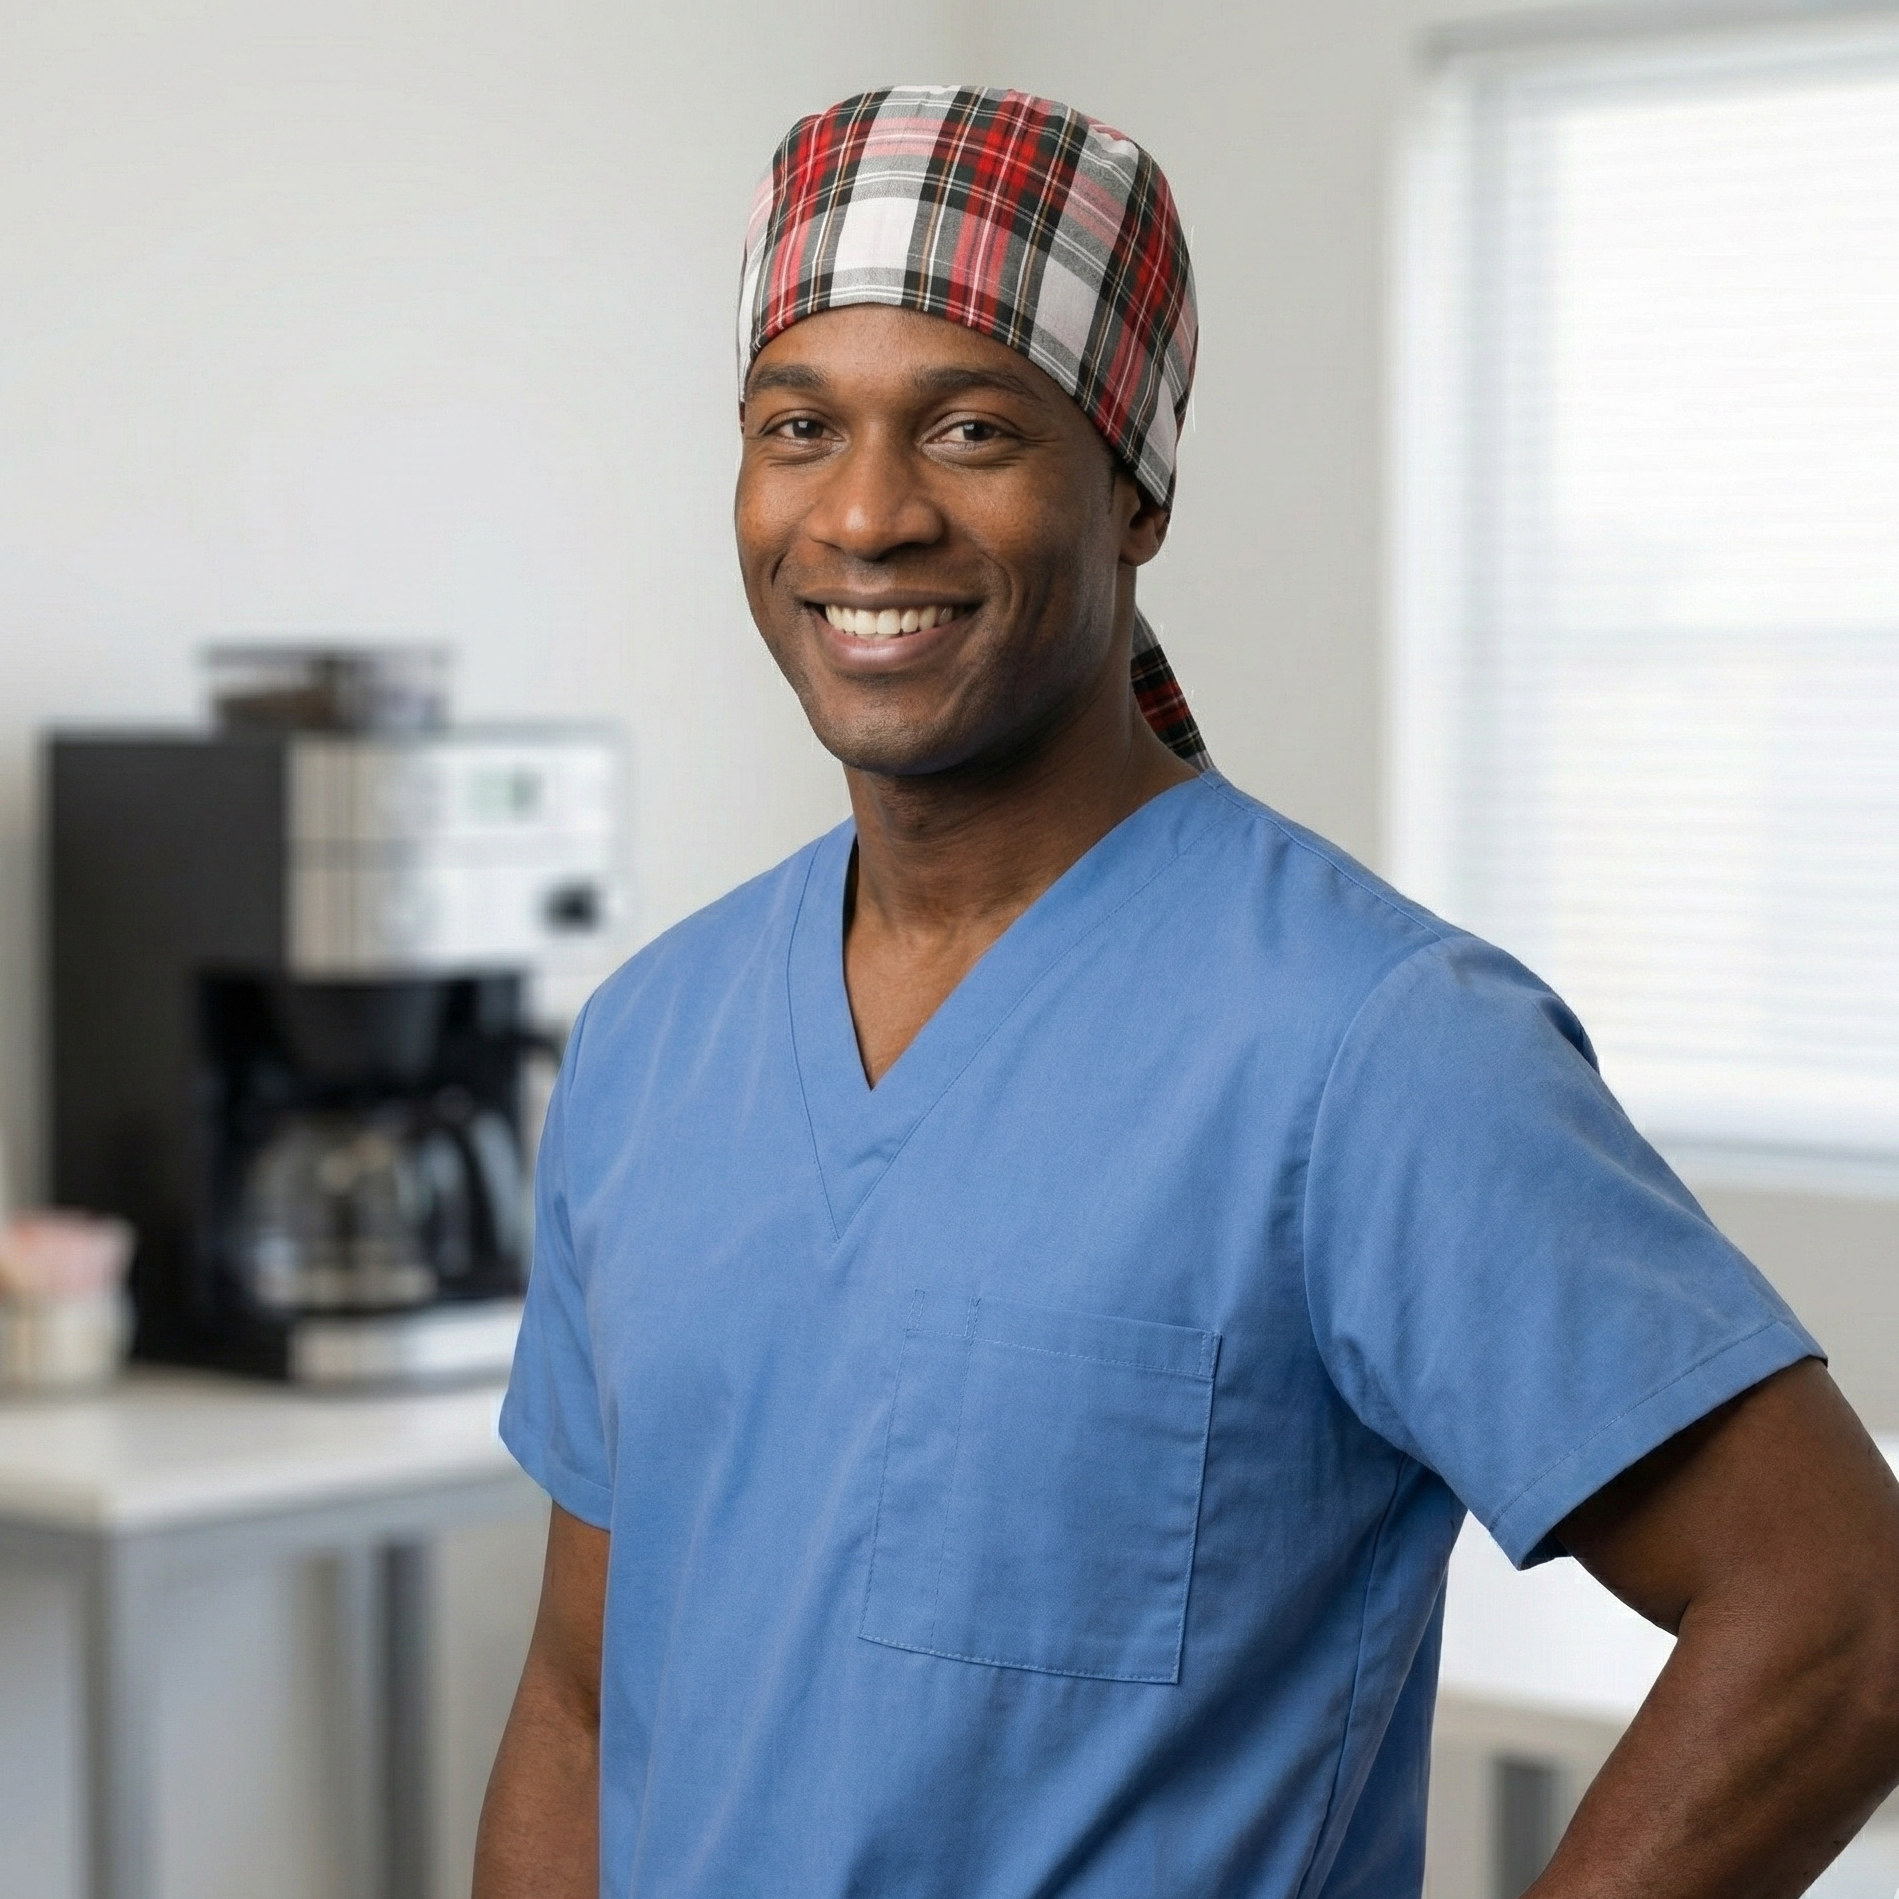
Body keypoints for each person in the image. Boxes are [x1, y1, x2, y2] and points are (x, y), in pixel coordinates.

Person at [474, 86, 1899, 1899]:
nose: (865, 511)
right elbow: (584, 1701)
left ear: (1133, 491)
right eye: (796, 424)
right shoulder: (649, 1045)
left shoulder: (1373, 1049)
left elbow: (1837, 1615)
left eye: (971, 426)